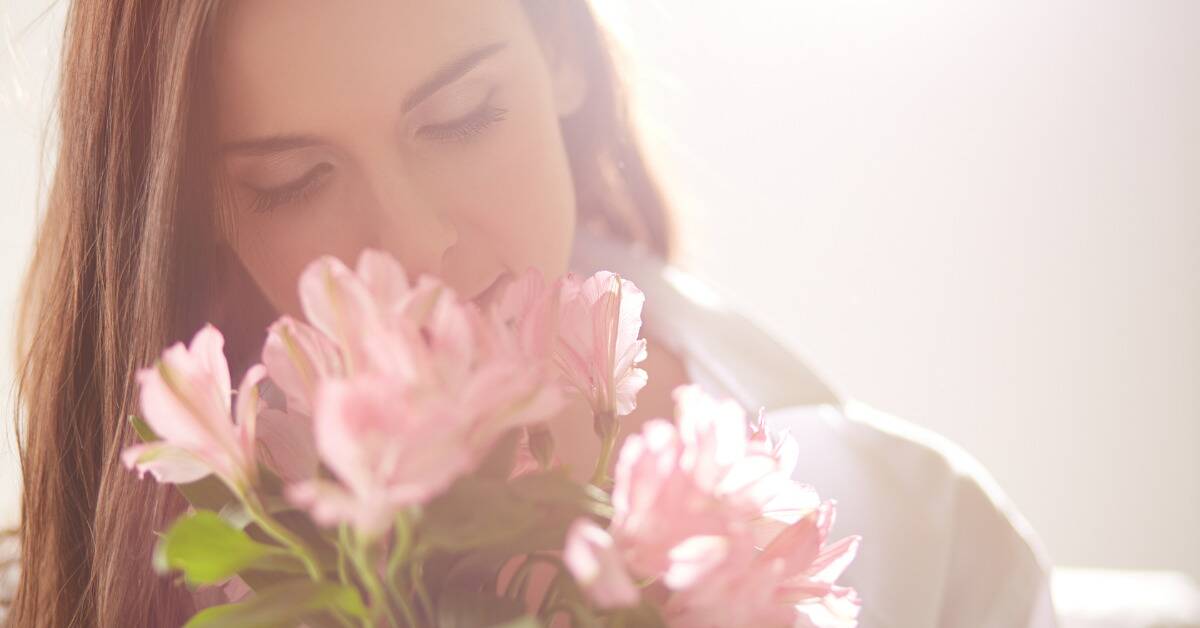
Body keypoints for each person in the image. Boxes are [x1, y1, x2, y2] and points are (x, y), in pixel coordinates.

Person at [4, 1, 1056, 626]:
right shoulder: (113, 567)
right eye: (292, 179)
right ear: (199, 213)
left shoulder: (926, 538)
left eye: (463, 119)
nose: (416, 248)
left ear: (555, 51)